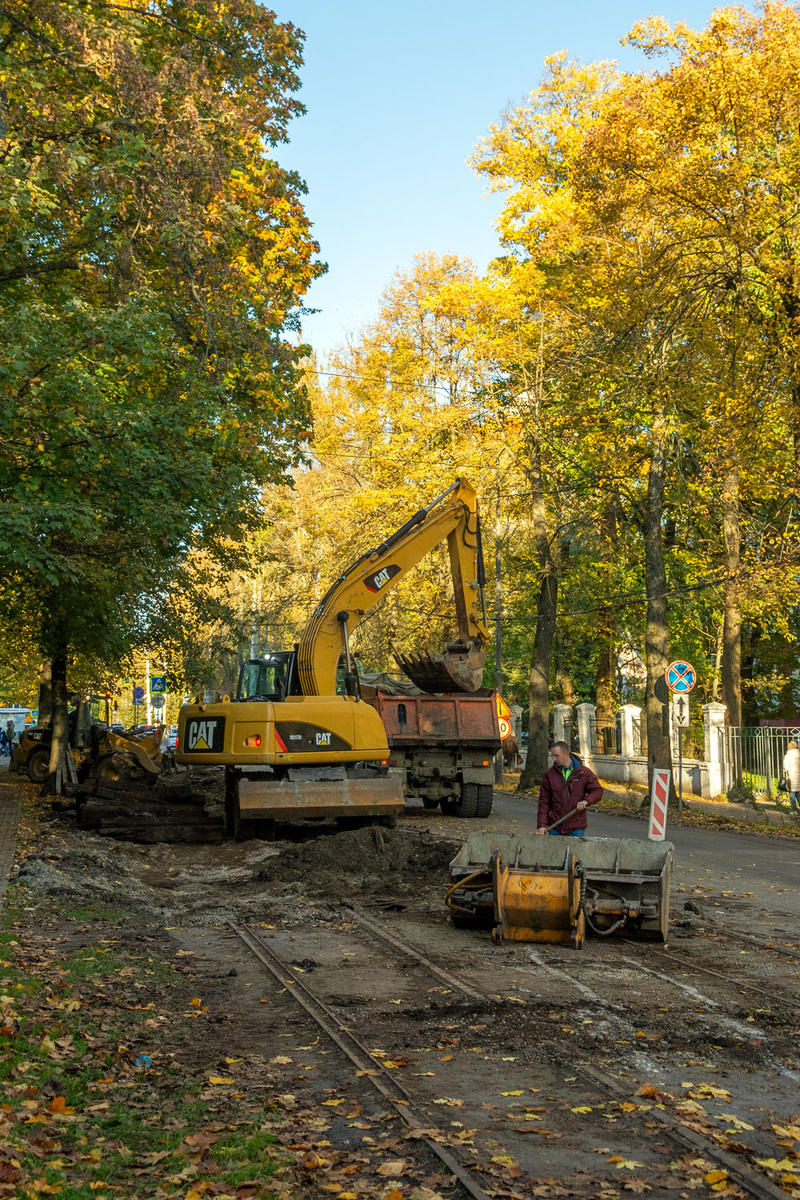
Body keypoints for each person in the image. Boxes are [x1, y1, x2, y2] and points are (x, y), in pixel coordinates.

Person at [536, 740, 603, 836]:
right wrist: (541, 825)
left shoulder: (583, 773)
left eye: (556, 756)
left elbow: (598, 791)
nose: (554, 759)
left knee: (574, 852)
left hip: (576, 828)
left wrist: (586, 801)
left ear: (566, 754)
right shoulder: (549, 775)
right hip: (555, 827)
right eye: (553, 756)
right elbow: (544, 801)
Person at [782, 739, 800, 816]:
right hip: (798, 776)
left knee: (792, 794)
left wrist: (785, 770)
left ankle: (794, 810)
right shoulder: (798, 755)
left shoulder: (788, 755)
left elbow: (785, 766)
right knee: (797, 793)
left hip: (791, 776)